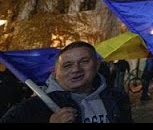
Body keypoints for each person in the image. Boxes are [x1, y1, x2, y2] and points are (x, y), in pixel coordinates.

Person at [1, 41, 132, 123]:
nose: (76, 69)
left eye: (84, 61)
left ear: (97, 65)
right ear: (55, 72)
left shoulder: (117, 98)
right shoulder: (34, 107)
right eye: (67, 65)